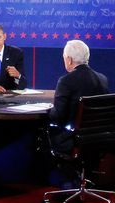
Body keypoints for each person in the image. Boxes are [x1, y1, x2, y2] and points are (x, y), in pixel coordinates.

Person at [46, 40, 109, 189]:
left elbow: (58, 116)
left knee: (44, 134)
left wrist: (48, 109)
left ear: (69, 59)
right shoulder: (102, 79)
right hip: (100, 137)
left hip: (74, 138)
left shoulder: (66, 81)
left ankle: (65, 178)